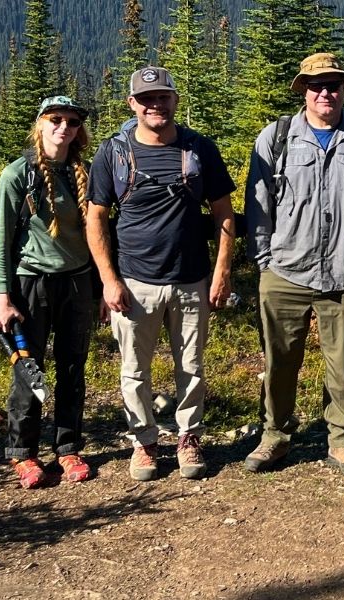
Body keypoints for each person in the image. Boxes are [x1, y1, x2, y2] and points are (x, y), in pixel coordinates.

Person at [242, 53, 344, 474]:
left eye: (333, 84)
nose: (324, 92)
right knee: (278, 360)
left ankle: (343, 439)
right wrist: (264, 260)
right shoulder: (276, 137)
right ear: (302, 90)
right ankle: (274, 434)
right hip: (284, 271)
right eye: (315, 85)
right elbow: (258, 206)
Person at [86, 66, 236, 481]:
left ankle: (189, 438)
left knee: (192, 365)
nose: (156, 105)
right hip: (135, 283)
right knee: (135, 368)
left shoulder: (199, 149)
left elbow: (222, 214)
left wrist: (222, 271)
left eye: (163, 97)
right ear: (132, 103)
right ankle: (144, 442)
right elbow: (95, 219)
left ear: (174, 100)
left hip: (192, 280)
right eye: (147, 98)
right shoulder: (112, 152)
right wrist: (108, 279)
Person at [0, 96, 96, 488]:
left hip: (78, 281)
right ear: (40, 124)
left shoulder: (84, 172)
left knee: (72, 368)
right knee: (27, 371)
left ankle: (68, 448)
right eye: (55, 119)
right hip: (30, 284)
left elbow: (99, 236)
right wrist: (3, 298)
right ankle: (24, 454)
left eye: (71, 121)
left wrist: (101, 289)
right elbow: (2, 241)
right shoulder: (17, 175)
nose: (63, 127)